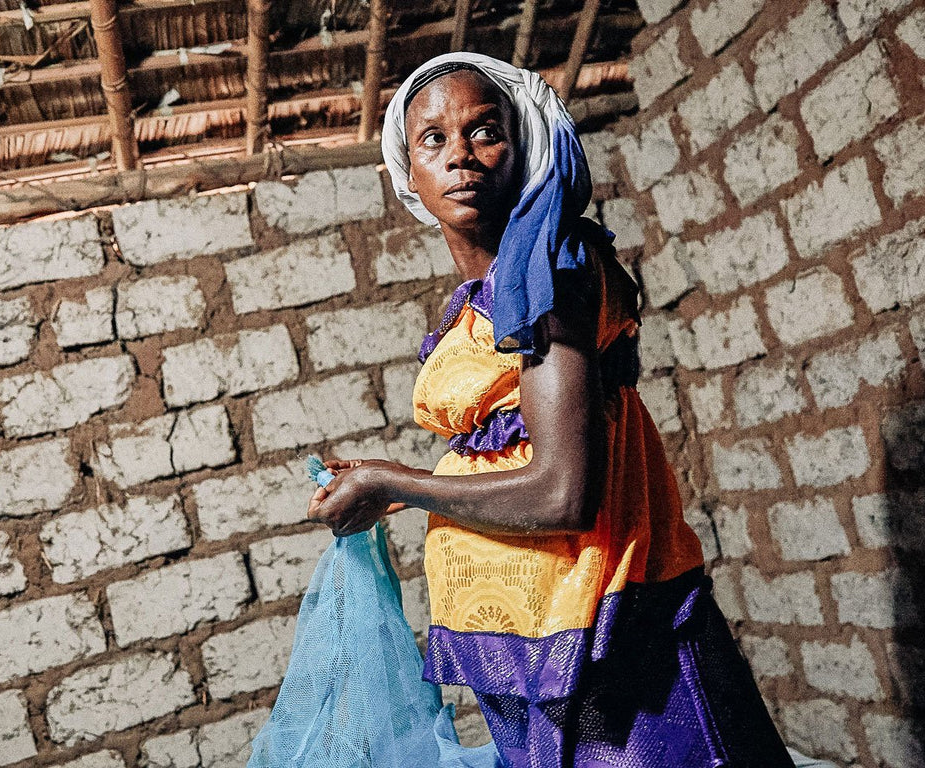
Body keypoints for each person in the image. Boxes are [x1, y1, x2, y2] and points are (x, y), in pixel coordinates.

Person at [307, 52, 795, 768]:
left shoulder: (551, 274)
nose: (461, 157)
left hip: (616, 655)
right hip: (529, 650)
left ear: (523, 147)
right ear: (405, 175)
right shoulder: (484, 304)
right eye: (432, 140)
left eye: (485, 131)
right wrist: (396, 485)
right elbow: (506, 448)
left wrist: (396, 484)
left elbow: (563, 492)